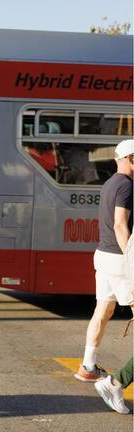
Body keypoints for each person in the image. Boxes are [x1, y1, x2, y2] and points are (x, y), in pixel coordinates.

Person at [75, 139, 133, 382]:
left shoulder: (110, 183)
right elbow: (120, 224)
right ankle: (121, 380)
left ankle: (88, 365)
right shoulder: (128, 186)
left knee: (103, 309)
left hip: (103, 255)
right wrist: (131, 258)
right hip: (120, 259)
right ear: (131, 159)